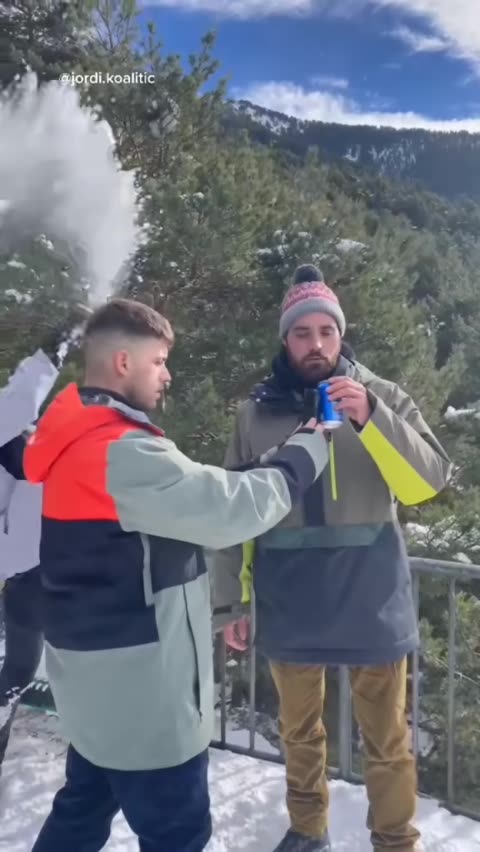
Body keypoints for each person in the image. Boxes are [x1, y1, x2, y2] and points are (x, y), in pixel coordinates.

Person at [24, 297, 329, 852]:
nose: (167, 375)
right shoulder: (122, 451)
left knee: (78, 819)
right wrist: (310, 446)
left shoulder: (71, 438)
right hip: (147, 705)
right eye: (160, 361)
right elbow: (233, 509)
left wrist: (274, 456)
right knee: (177, 837)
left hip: (95, 691)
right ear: (123, 362)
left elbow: (199, 493)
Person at [211, 264, 452, 852]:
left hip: (372, 589)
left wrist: (372, 417)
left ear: (341, 335)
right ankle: (307, 829)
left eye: (326, 331)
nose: (315, 343)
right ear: (285, 340)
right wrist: (230, 602)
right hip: (288, 591)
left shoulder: (384, 396)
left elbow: (428, 482)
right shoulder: (256, 413)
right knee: (299, 732)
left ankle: (396, 841)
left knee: (387, 739)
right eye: (302, 333)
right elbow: (233, 512)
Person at [0, 349, 59, 772]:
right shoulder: (19, 447)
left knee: (20, 668)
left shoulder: (26, 444)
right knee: (20, 668)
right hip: (26, 571)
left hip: (31, 571)